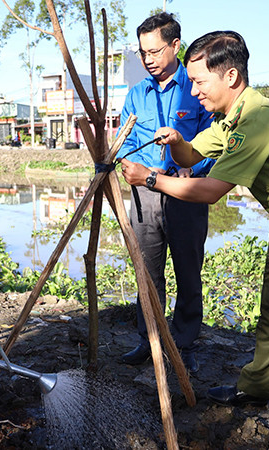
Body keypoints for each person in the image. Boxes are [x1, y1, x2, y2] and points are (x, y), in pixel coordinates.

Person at [120, 31, 269, 449]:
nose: (193, 91)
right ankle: (259, 386)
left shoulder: (257, 118)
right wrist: (176, 142)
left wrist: (152, 178)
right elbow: (194, 156)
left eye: (199, 83)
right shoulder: (227, 118)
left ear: (230, 76)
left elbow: (210, 189)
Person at [116, 12, 214, 375]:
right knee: (146, 271)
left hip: (185, 193)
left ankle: (184, 343)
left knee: (188, 271)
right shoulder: (136, 94)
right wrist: (132, 168)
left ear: (175, 45)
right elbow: (124, 142)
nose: (148, 59)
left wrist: (192, 168)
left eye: (155, 51)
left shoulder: (198, 88)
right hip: (144, 193)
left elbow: (212, 144)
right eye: (143, 53)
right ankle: (150, 339)